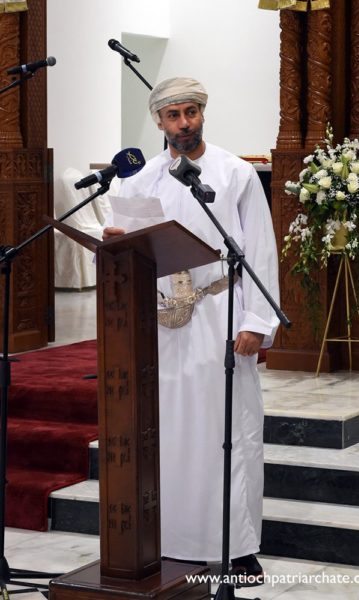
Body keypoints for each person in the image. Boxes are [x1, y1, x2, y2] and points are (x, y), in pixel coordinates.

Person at [103, 77, 280, 580]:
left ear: (202, 113)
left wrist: (256, 321)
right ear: (158, 121)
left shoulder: (235, 173)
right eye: (173, 115)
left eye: (191, 112)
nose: (184, 123)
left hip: (219, 313)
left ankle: (236, 547)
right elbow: (127, 247)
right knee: (167, 434)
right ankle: (169, 540)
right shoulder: (139, 181)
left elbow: (260, 250)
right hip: (158, 325)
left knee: (228, 432)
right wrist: (112, 241)